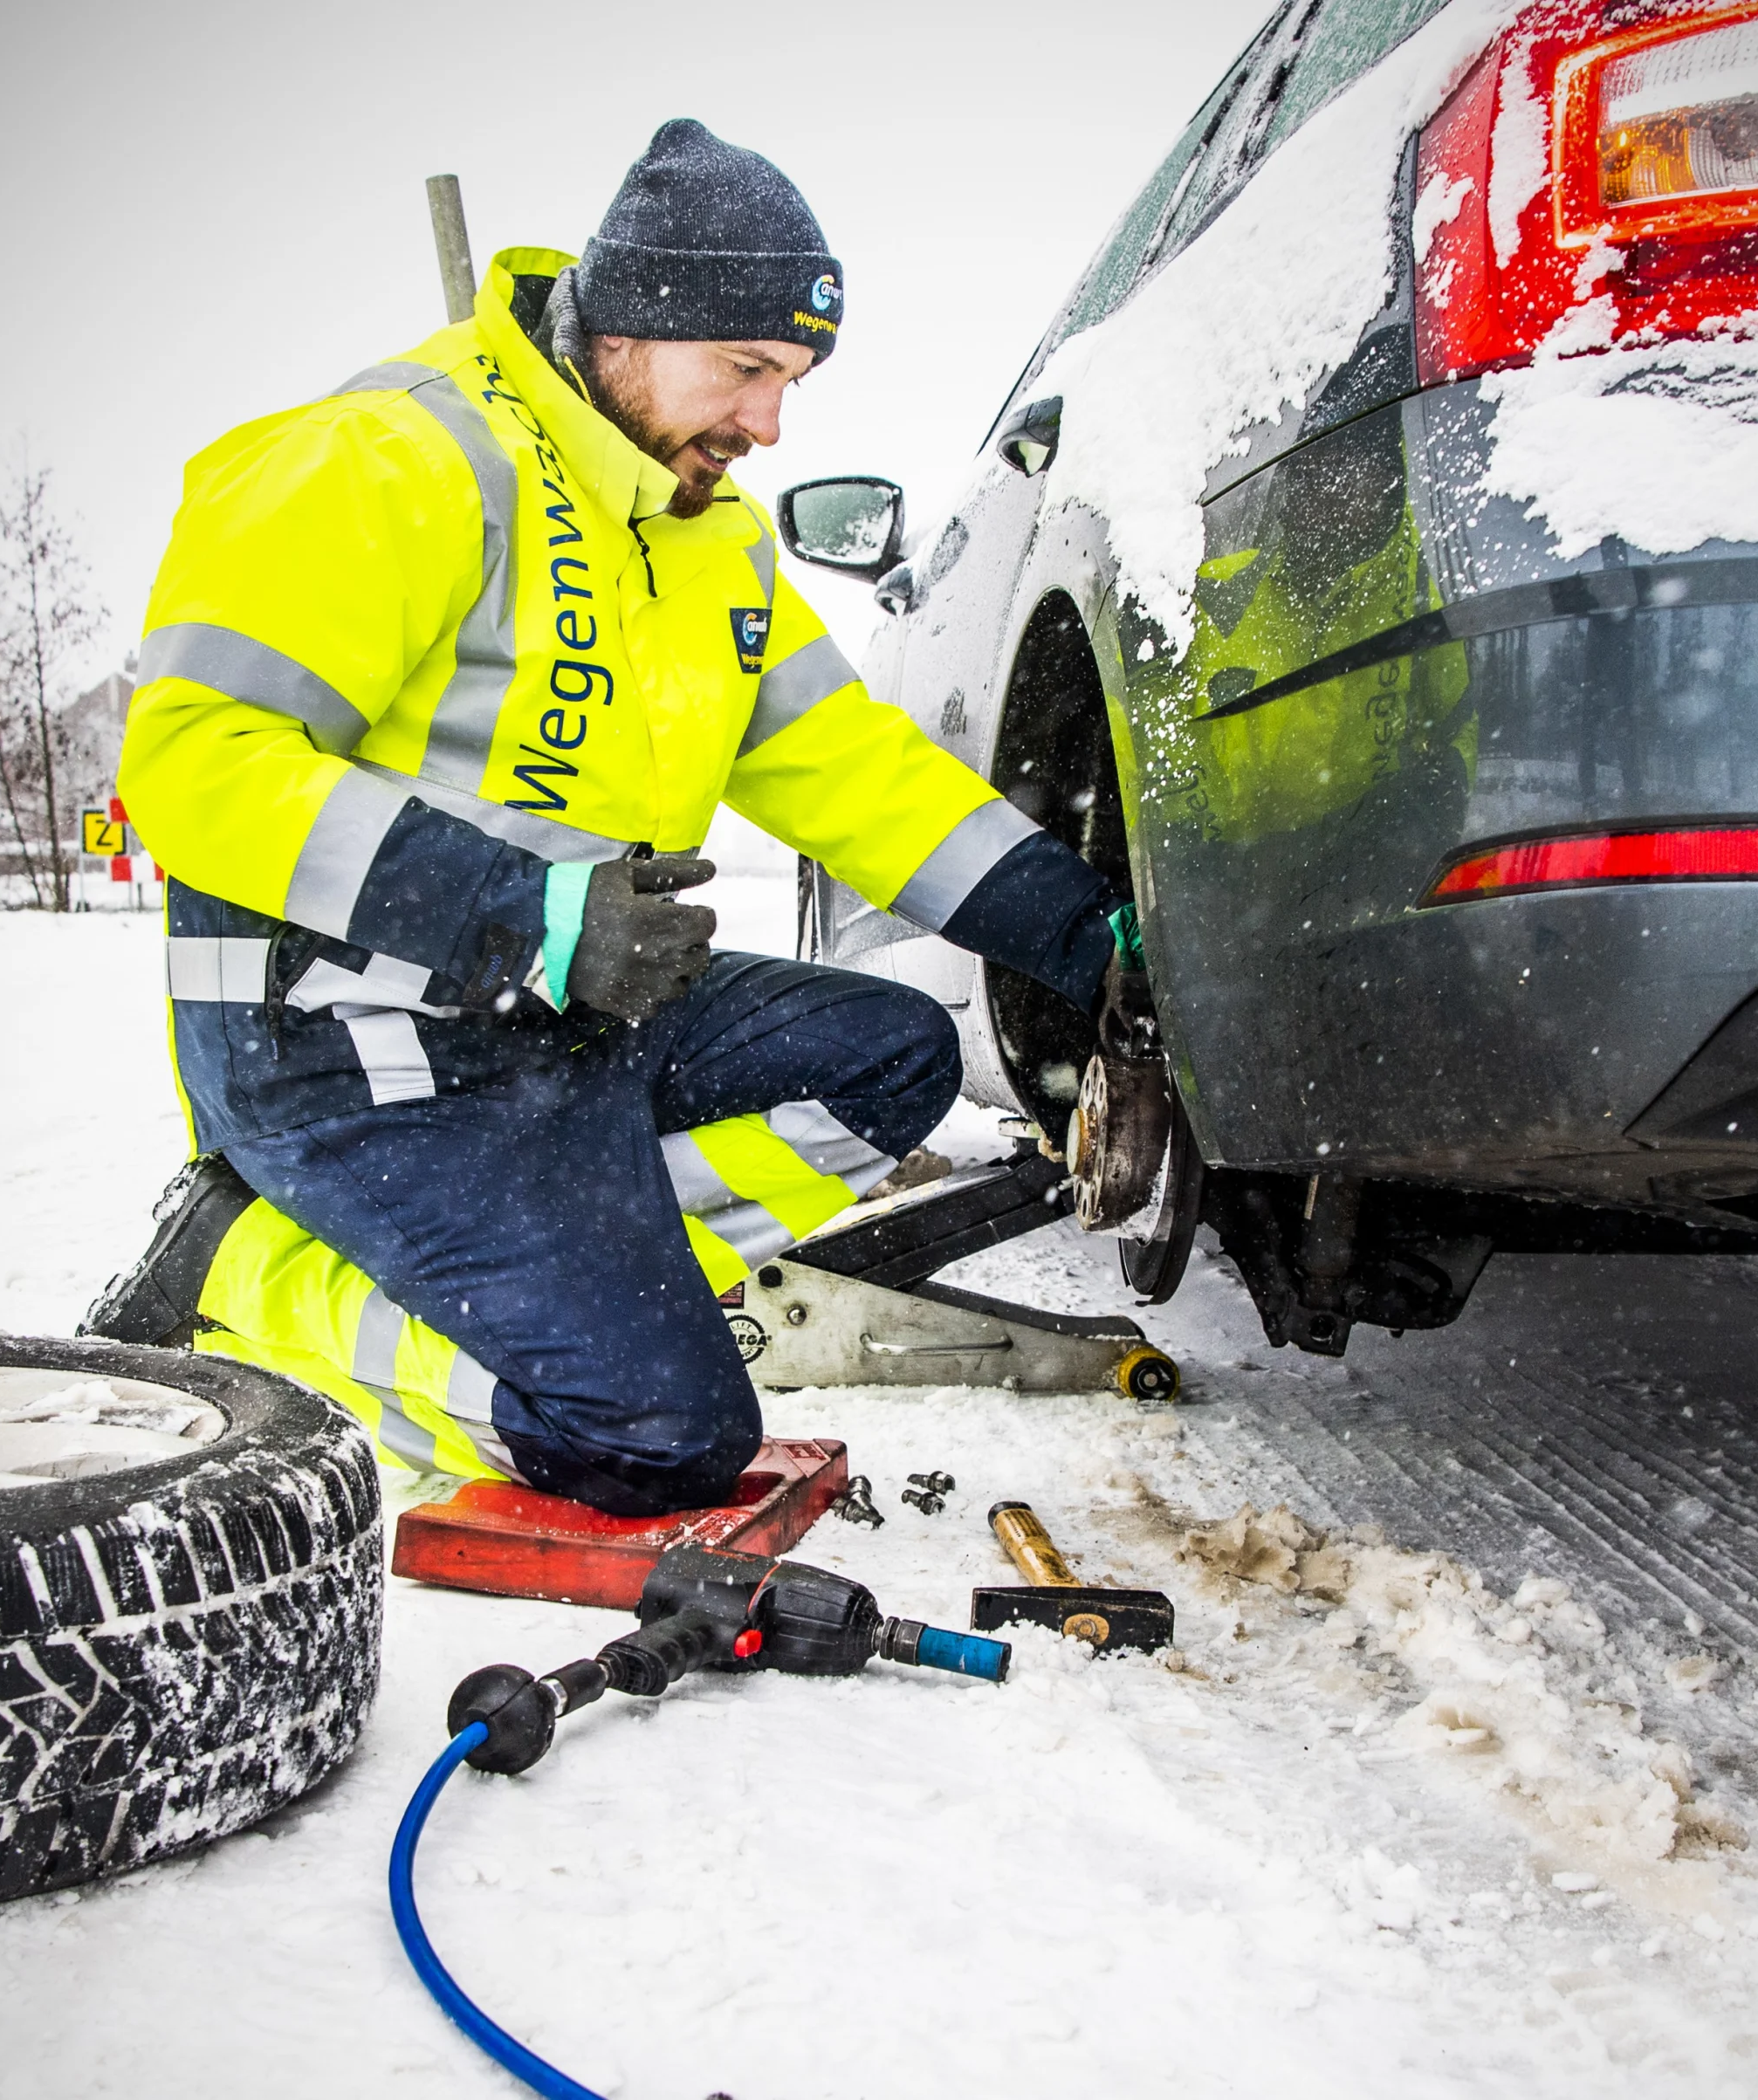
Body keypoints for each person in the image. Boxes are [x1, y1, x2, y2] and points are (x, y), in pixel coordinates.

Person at [84, 119, 1123, 1517]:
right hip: (345, 1039)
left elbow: (857, 774)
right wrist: (526, 911)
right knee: (652, 1438)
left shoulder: (715, 539)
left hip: (559, 1019)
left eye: (793, 380)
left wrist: (1090, 941)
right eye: (748, 370)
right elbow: (196, 757)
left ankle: (573, 1280)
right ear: (635, 323)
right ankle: (246, 1273)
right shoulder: (398, 456)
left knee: (893, 1054)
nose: (770, 424)